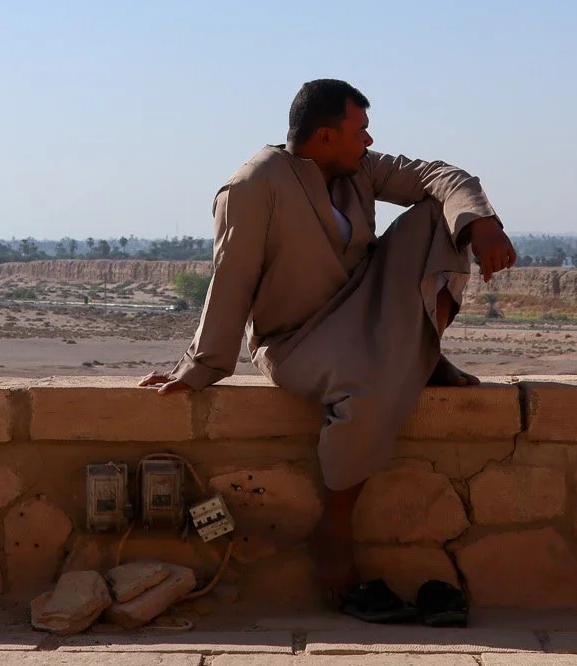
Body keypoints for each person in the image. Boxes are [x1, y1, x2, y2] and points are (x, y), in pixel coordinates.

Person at [140, 79, 516, 614]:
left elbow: (443, 175)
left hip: (365, 312)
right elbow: (231, 279)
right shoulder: (252, 187)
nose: (368, 141)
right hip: (298, 339)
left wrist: (482, 224)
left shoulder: (357, 167)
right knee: (366, 390)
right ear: (323, 137)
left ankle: (419, 352)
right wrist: (199, 366)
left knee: (439, 212)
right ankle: (335, 532)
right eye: (358, 130)